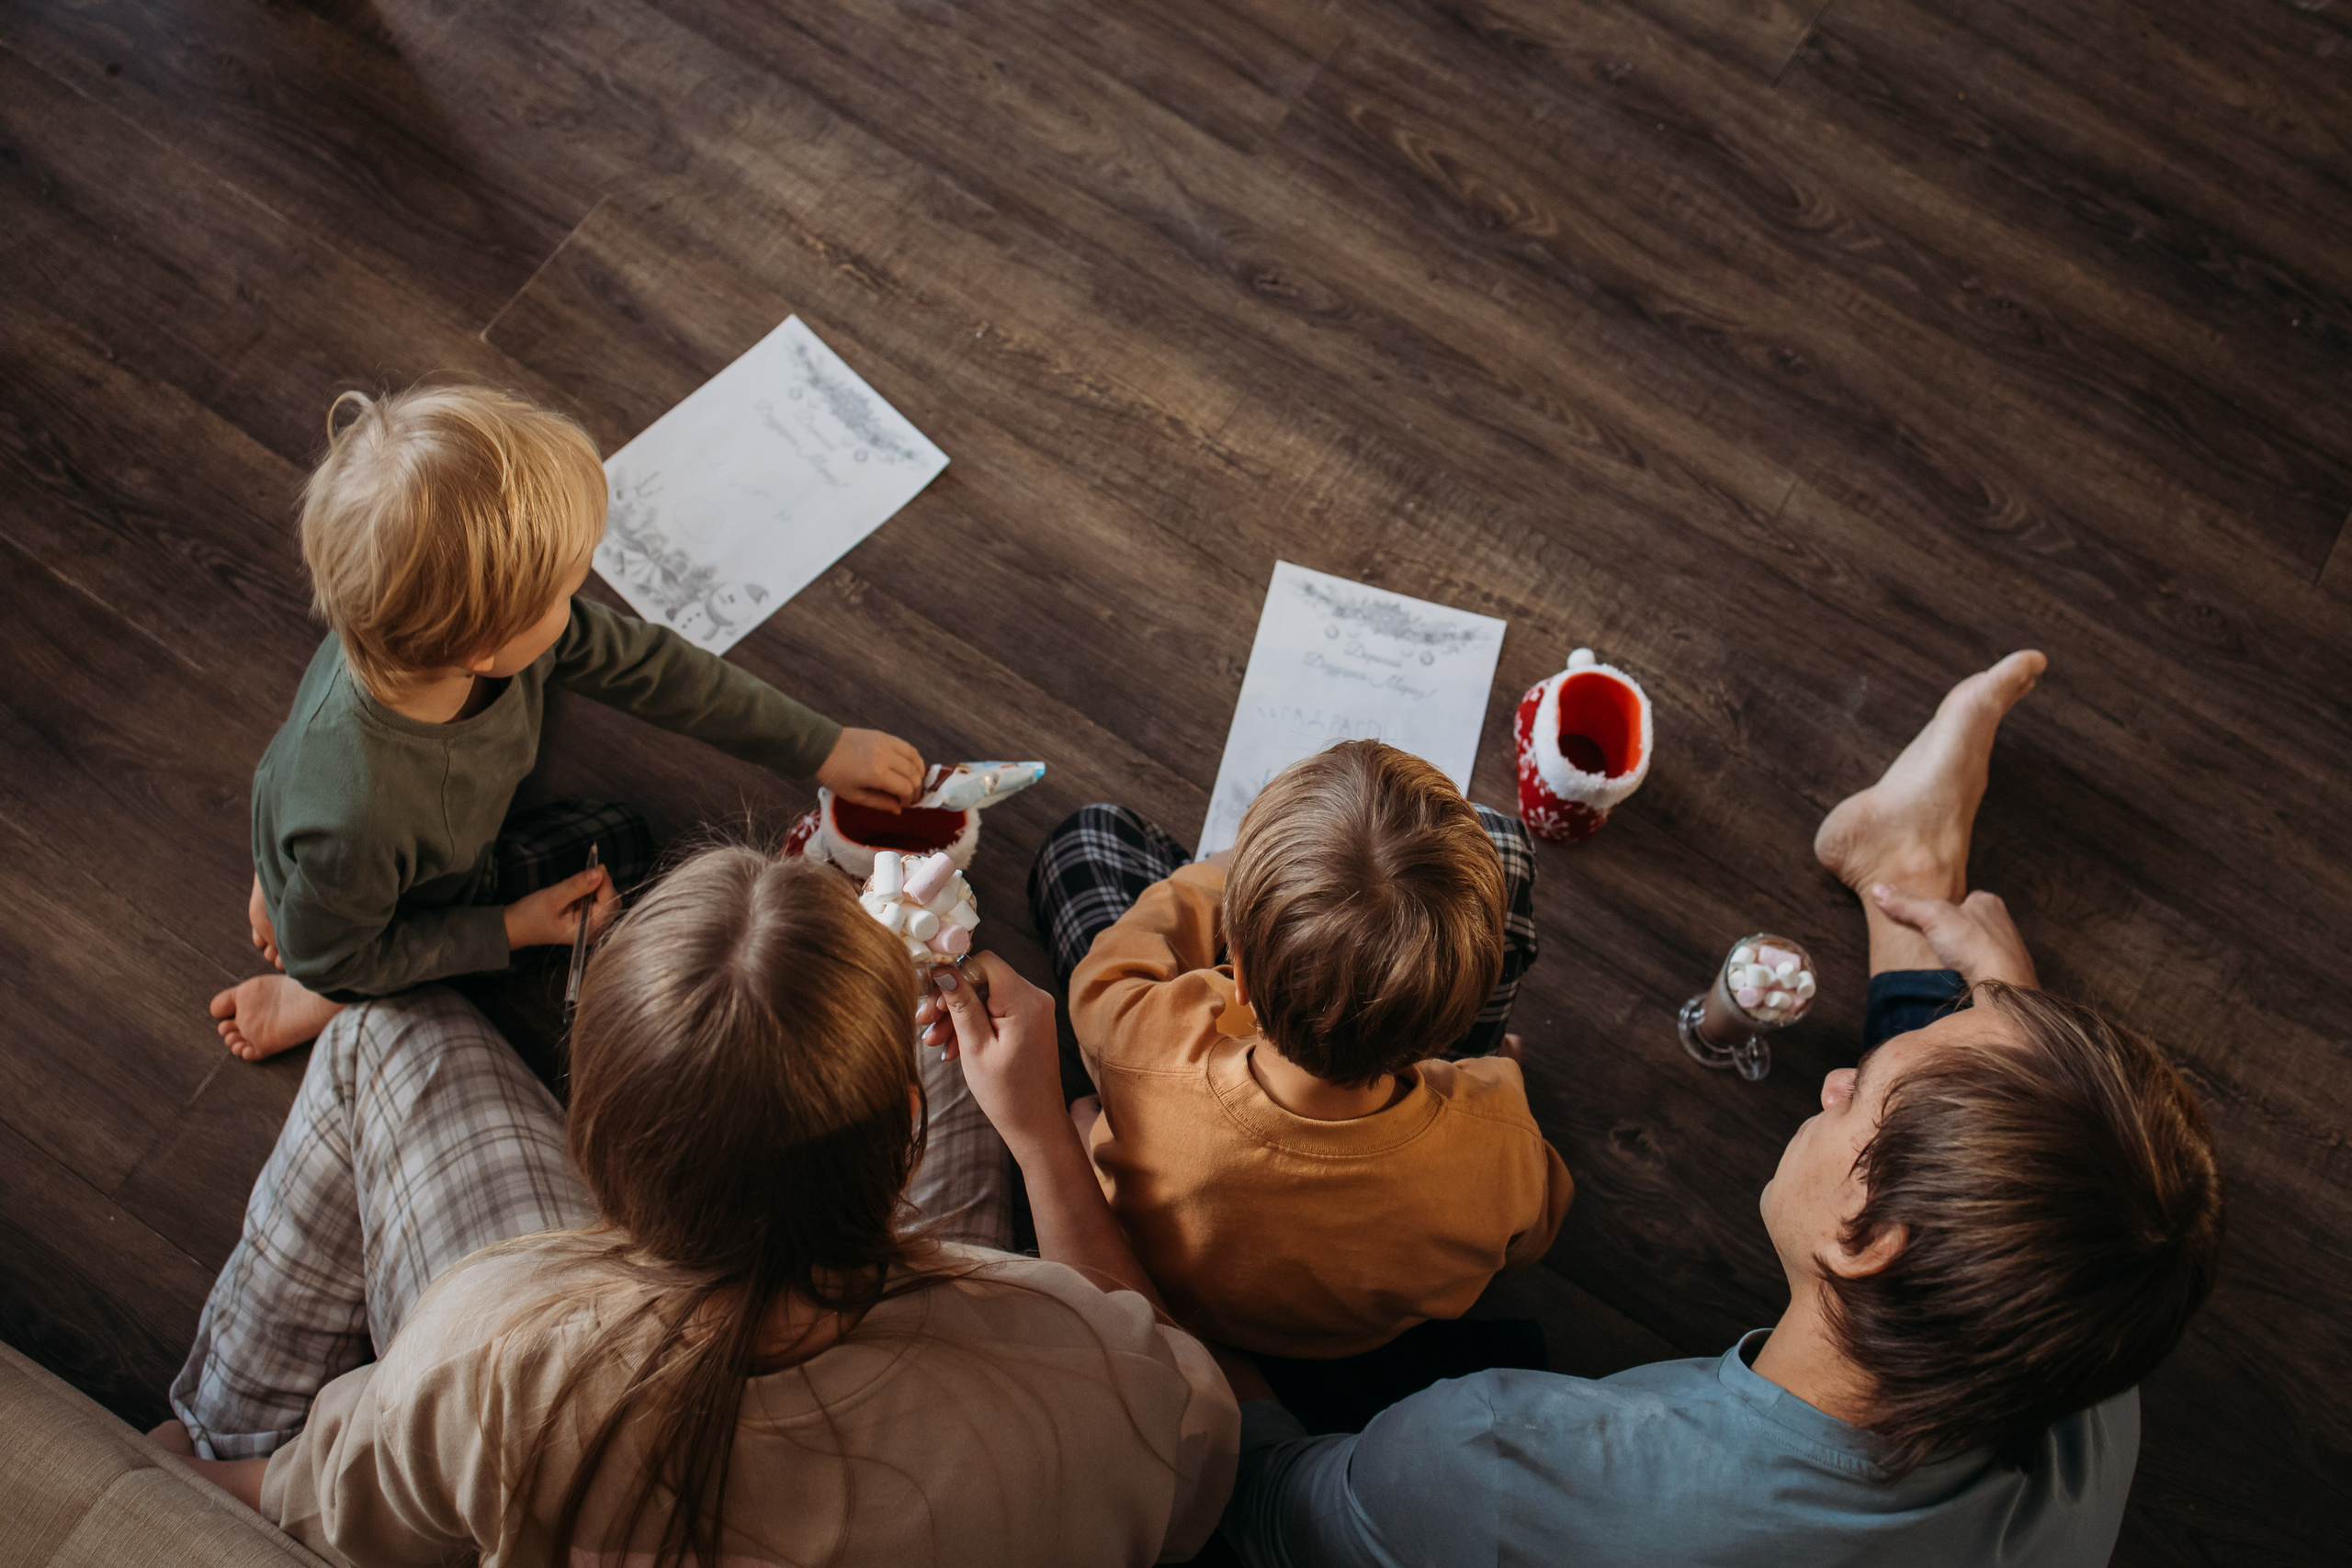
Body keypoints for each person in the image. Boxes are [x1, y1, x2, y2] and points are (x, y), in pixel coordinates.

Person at [1219, 652, 2226, 1566]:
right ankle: (1904, 866)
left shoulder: (1496, 1467)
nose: (1835, 1080)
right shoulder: (2091, 1341)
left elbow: (1255, 1503)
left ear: (1869, 1240)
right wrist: (2020, 1019)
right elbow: (2055, 1185)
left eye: (1865, 1092)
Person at [156, 849, 1238, 1565]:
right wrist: (1044, 1137)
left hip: (577, 1373)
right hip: (924, 1366)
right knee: (938, 1010)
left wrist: (173, 1477)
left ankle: (211, 1416)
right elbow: (1196, 1459)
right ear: (904, 1141)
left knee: (379, 1036)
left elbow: (312, 1507)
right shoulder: (1076, 1376)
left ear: (598, 1161)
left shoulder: (487, 1352)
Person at [210, 384, 926, 1060]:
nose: (580, 597)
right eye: (565, 590)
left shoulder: (385, 631)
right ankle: (326, 1001)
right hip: (389, 916)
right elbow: (334, 944)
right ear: (483, 651)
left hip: (330, 860)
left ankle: (284, 884)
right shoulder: (363, 814)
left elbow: (658, 670)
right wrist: (512, 927)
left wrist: (824, 746)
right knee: (624, 842)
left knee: (317, 873)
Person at [1028, 740, 1575, 1359]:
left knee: (1087, 838)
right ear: (1450, 1026)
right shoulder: (1497, 1137)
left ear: (1234, 966)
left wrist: (1229, 875)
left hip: (1182, 1292)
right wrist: (1495, 1076)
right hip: (1341, 1342)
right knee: (1504, 846)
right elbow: (1535, 1227)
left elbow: (1100, 979)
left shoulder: (1148, 1032)